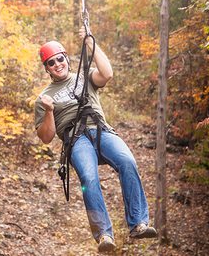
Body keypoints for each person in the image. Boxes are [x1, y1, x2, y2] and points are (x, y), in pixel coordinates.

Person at [34, 27, 157, 252]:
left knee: (127, 161)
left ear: (66, 59)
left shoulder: (84, 75)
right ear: (47, 69)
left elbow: (107, 74)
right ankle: (103, 235)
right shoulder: (44, 97)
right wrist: (49, 111)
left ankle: (138, 223)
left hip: (101, 130)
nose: (57, 64)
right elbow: (46, 137)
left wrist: (91, 43)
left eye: (60, 58)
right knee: (89, 178)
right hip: (76, 139)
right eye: (51, 63)